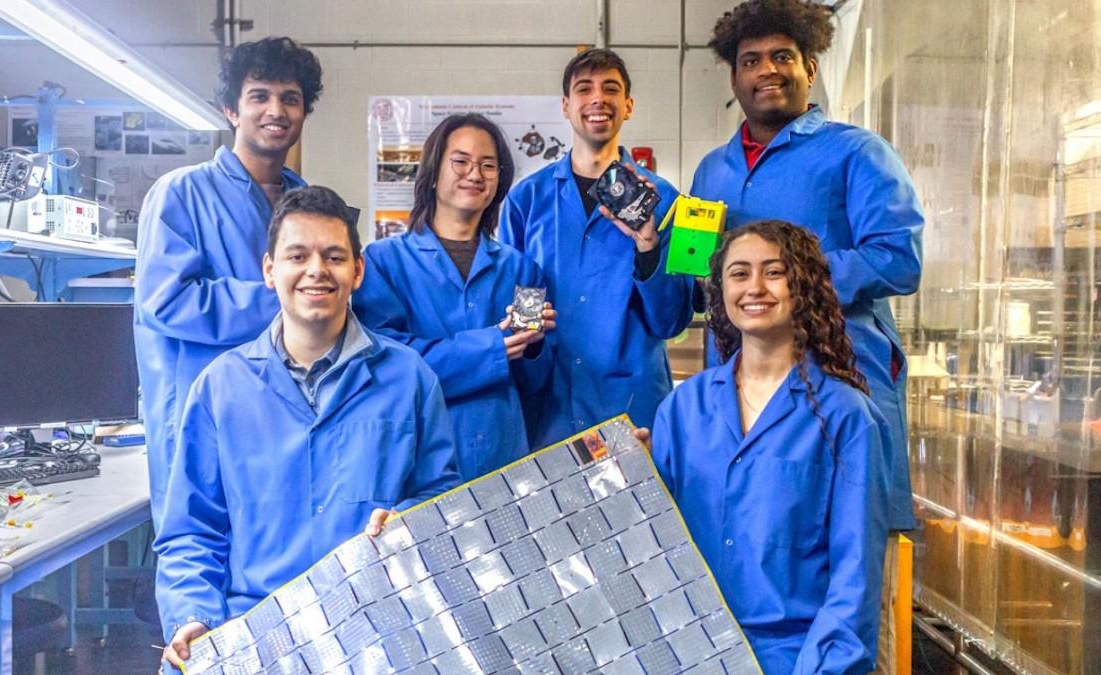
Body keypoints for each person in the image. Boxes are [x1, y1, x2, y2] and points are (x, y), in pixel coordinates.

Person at [690, 4, 924, 668]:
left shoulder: (855, 153)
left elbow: (897, 258)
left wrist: (784, 281)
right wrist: (655, 250)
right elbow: (691, 277)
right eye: (751, 60)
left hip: (840, 399)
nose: (767, 71)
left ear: (809, 67)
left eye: (782, 57)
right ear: (733, 77)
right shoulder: (710, 173)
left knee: (848, 584)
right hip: (741, 409)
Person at [157, 186, 460, 667]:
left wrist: (409, 518)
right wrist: (192, 615)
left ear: (357, 271)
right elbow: (192, 531)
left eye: (334, 256)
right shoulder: (221, 387)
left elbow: (442, 499)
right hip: (257, 633)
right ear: (269, 270)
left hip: (379, 637)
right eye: (297, 255)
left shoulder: (410, 379)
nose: (316, 270)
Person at [646, 220, 889, 674]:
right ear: (720, 291)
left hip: (794, 658)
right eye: (739, 273)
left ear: (804, 287)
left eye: (773, 272)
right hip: (689, 653)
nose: (754, 287)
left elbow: (854, 579)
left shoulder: (847, 417)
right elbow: (658, 552)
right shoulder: (682, 410)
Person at [133, 37, 322, 530]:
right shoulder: (182, 193)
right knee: (202, 562)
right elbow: (168, 302)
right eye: (259, 95)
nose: (275, 110)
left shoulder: (309, 202)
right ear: (230, 109)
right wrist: (291, 296)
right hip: (205, 418)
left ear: (304, 112)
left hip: (289, 415)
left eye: (290, 98)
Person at [500, 48, 695, 447]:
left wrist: (648, 246)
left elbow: (670, 322)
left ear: (628, 106)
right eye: (584, 89)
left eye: (611, 89)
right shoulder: (527, 200)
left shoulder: (667, 200)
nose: (598, 99)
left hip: (631, 405)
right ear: (567, 106)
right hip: (547, 406)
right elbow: (517, 303)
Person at [354, 114, 555, 480]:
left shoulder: (522, 271)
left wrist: (535, 345)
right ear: (432, 173)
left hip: (503, 458)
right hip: (417, 464)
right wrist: (492, 347)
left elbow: (535, 383)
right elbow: (386, 364)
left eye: (488, 165)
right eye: (460, 161)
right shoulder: (383, 262)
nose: (475, 174)